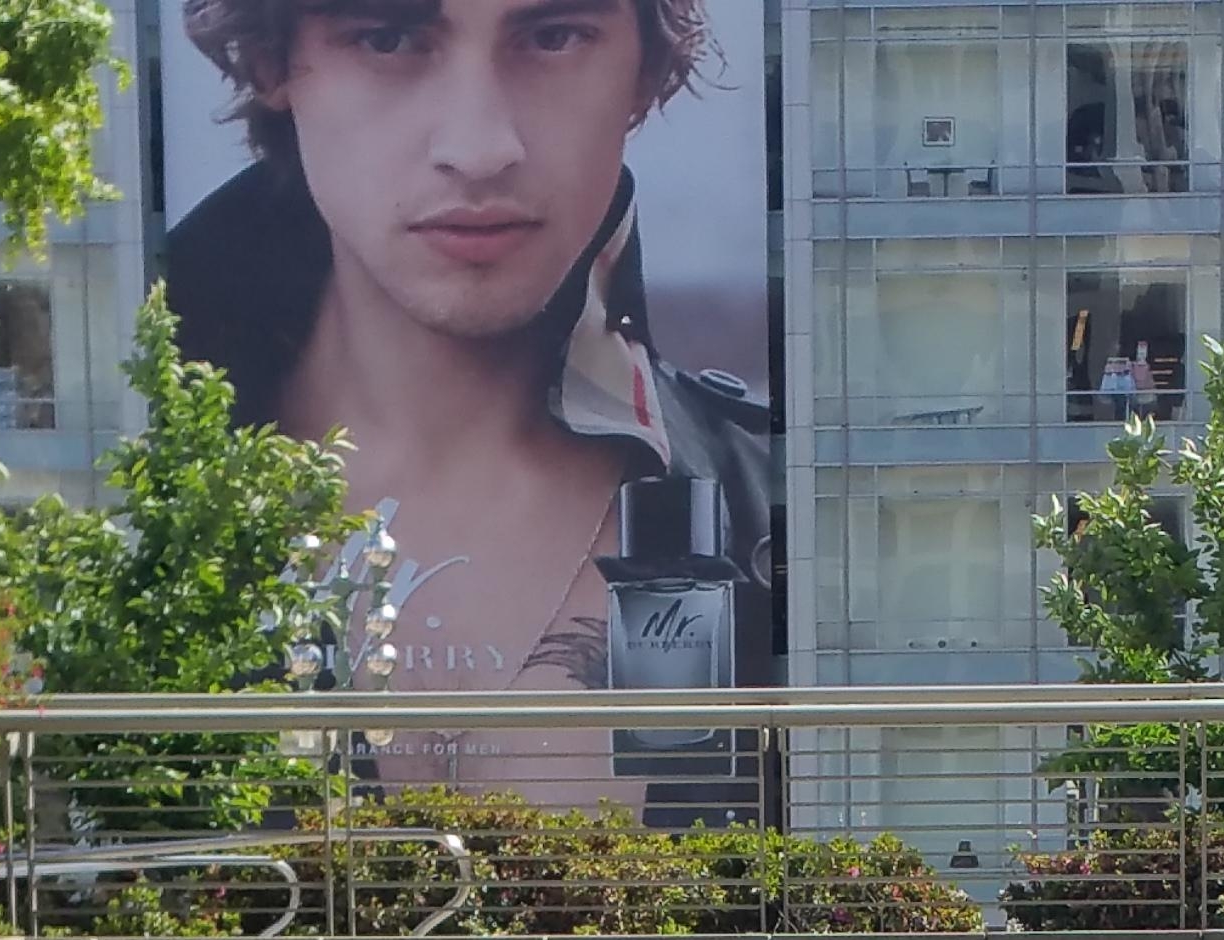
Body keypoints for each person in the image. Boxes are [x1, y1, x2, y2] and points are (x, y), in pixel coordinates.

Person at [160, 0, 778, 784]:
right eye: (387, 38)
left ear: (645, 69)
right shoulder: (119, 479)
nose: (480, 149)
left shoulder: (766, 504)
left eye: (553, 38)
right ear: (269, 61)